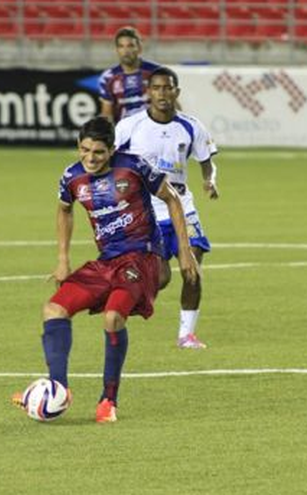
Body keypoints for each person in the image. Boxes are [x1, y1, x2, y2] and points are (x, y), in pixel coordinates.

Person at [30, 117, 198, 423]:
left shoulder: (134, 166)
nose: (90, 158)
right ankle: (58, 389)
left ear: (112, 149)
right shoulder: (72, 177)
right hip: (106, 261)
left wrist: (184, 252)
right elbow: (64, 211)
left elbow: (172, 199)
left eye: (98, 152)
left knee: (112, 317)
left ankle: (108, 400)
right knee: (53, 309)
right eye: (84, 150)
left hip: (141, 259)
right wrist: (63, 259)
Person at [114, 66, 219, 350]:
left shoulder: (191, 126)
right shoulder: (129, 127)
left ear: (177, 92)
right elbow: (112, 163)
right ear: (148, 92)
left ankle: (186, 335)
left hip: (183, 206)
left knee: (193, 269)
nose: (162, 93)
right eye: (157, 88)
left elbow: (207, 162)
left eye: (167, 88)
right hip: (148, 209)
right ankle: (122, 296)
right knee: (160, 278)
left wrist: (210, 181)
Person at [97, 26, 162, 123]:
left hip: (153, 132)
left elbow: (171, 105)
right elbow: (107, 114)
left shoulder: (156, 72)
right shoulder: (108, 77)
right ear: (117, 50)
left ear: (139, 48)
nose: (126, 51)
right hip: (124, 134)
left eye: (130, 46)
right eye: (121, 46)